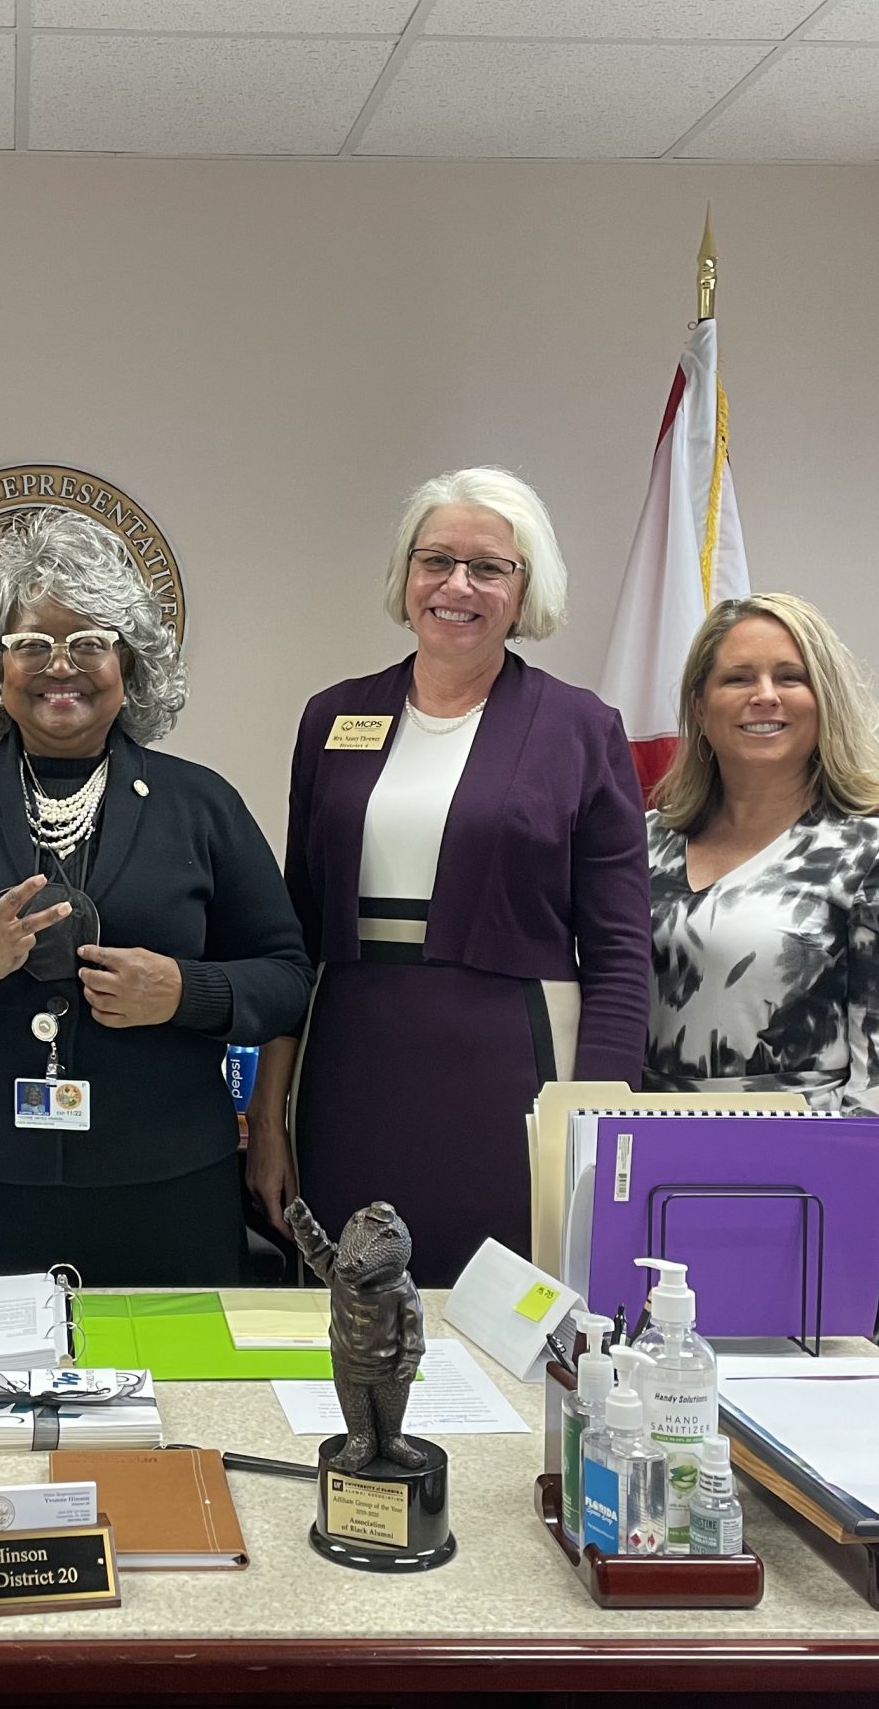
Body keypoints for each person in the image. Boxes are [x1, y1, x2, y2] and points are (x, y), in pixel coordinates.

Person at [0, 508, 311, 1286]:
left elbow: (286, 979)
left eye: (90, 642)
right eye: (32, 644)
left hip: (168, 1198)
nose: (62, 666)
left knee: (177, 1374)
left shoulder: (203, 804)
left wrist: (184, 992)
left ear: (130, 664)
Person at [248, 468, 650, 1287]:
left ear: (525, 589)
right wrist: (269, 1116)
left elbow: (620, 954)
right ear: (406, 575)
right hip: (351, 1068)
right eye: (436, 560)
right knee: (355, 1307)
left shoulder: (580, 729)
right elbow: (295, 935)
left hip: (512, 1073)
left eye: (488, 567)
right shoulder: (334, 718)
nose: (456, 586)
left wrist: (598, 1125)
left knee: (506, 1312)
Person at [642, 593, 879, 1346]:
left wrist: (843, 1224)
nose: (764, 696)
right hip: (653, 1176)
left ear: (825, 700)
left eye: (790, 677)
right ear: (700, 704)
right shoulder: (641, 842)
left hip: (803, 1191)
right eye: (738, 678)